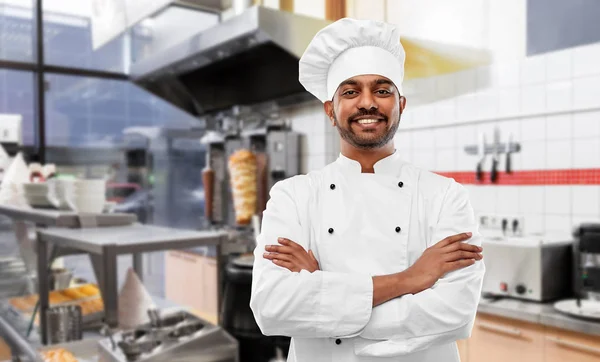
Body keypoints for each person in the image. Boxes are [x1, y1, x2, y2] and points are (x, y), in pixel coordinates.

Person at [250, 17, 485, 362]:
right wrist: (410, 279)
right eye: (350, 91)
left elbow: (456, 314)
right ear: (330, 110)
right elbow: (272, 308)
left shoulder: (446, 196)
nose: (367, 103)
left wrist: (323, 292)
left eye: (382, 90)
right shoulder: (293, 196)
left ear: (400, 104)